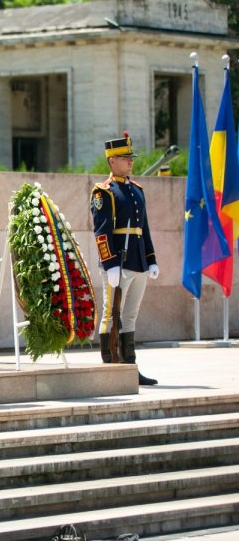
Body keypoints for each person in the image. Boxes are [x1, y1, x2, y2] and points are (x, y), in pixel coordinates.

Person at [91, 132, 158, 385]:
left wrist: (151, 259)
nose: (130, 161)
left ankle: (130, 367)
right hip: (117, 262)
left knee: (130, 315)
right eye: (125, 157)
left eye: (131, 157)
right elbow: (102, 231)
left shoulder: (136, 190)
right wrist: (109, 264)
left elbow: (145, 229)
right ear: (111, 161)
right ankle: (110, 365)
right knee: (111, 313)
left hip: (137, 261)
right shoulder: (104, 192)